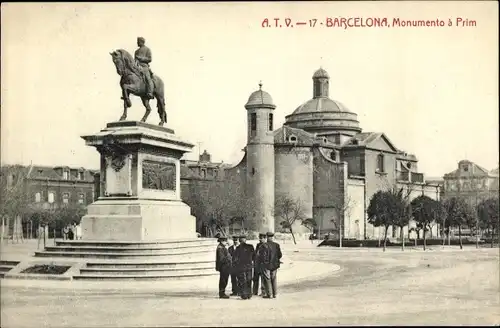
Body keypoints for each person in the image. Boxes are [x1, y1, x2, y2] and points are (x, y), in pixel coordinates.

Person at [233, 234, 255, 300]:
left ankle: (244, 295)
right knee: (249, 279)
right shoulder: (251, 246)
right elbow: (254, 256)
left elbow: (235, 259)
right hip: (249, 266)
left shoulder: (238, 248)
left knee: (242, 280)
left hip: (241, 267)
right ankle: (249, 294)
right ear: (245, 240)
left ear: (239, 240)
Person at [262, 232, 282, 299]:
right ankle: (275, 294)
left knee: (268, 279)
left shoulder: (264, 245)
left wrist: (264, 263)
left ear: (267, 237)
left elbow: (263, 256)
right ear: (272, 237)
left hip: (267, 265)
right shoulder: (276, 245)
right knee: (274, 278)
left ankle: (270, 294)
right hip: (275, 265)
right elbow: (280, 255)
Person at [253, 232, 268, 297]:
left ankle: (263, 292)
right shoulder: (258, 245)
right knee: (255, 278)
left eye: (261, 238)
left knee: (263, 279)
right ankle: (254, 292)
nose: (260, 239)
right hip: (257, 264)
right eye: (260, 238)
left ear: (265, 238)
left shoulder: (267, 245)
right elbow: (255, 253)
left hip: (262, 265)